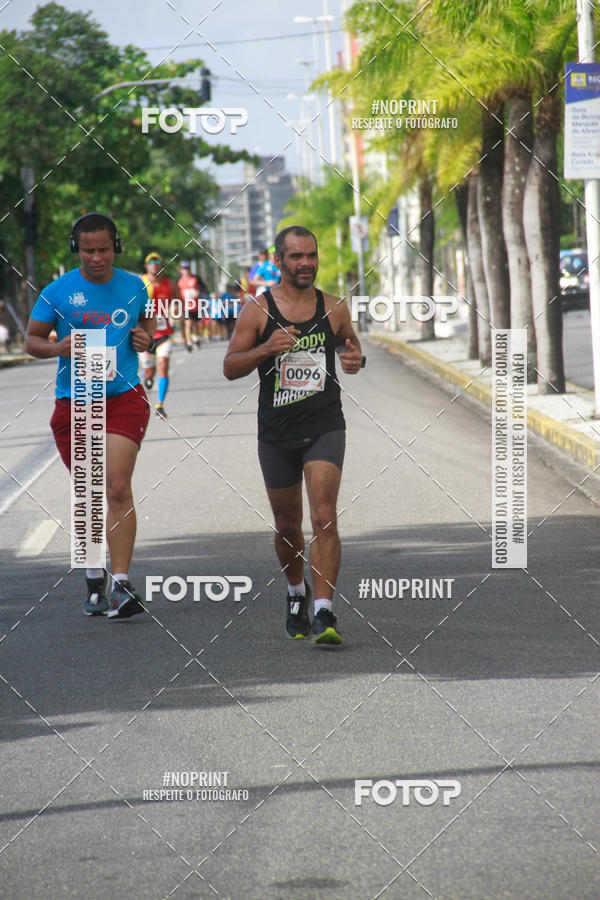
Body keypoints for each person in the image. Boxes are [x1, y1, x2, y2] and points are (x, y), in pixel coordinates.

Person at [223, 225, 364, 644]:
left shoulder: (335, 307)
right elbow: (231, 366)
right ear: (280, 261)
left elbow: (351, 349)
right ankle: (295, 592)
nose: (306, 263)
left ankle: (324, 612)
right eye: (297, 257)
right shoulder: (258, 310)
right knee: (288, 525)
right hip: (276, 431)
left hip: (324, 425)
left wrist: (355, 359)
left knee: (324, 516)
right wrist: (266, 349)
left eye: (311, 256)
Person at [24, 212, 155, 618]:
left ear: (116, 246)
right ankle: (93, 577)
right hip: (75, 403)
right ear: (75, 248)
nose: (96, 258)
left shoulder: (135, 286)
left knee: (116, 486)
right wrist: (56, 348)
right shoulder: (57, 291)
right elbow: (31, 340)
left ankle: (121, 584)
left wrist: (145, 338)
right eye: (87, 250)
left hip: (124, 398)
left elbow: (147, 328)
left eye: (103, 249)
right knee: (88, 492)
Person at [140, 252, 179, 418]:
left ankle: (160, 405)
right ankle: (147, 377)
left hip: (164, 333)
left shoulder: (170, 285)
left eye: (157, 262)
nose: (154, 265)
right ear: (146, 266)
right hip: (145, 335)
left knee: (163, 365)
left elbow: (178, 301)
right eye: (151, 262)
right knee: (149, 372)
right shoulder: (139, 283)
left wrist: (176, 309)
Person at [177, 261, 201, 351]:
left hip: (195, 306)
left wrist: (196, 294)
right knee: (188, 324)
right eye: (184, 269)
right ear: (181, 270)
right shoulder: (179, 281)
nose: (185, 270)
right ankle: (189, 342)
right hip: (185, 306)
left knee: (195, 325)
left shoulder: (194, 279)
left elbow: (198, 291)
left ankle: (196, 338)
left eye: (187, 268)